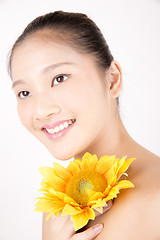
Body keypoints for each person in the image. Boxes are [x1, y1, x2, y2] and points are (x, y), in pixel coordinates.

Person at [9, 11, 160, 240]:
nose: (41, 110)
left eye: (59, 78)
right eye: (25, 92)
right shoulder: (58, 208)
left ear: (112, 79)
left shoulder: (155, 199)